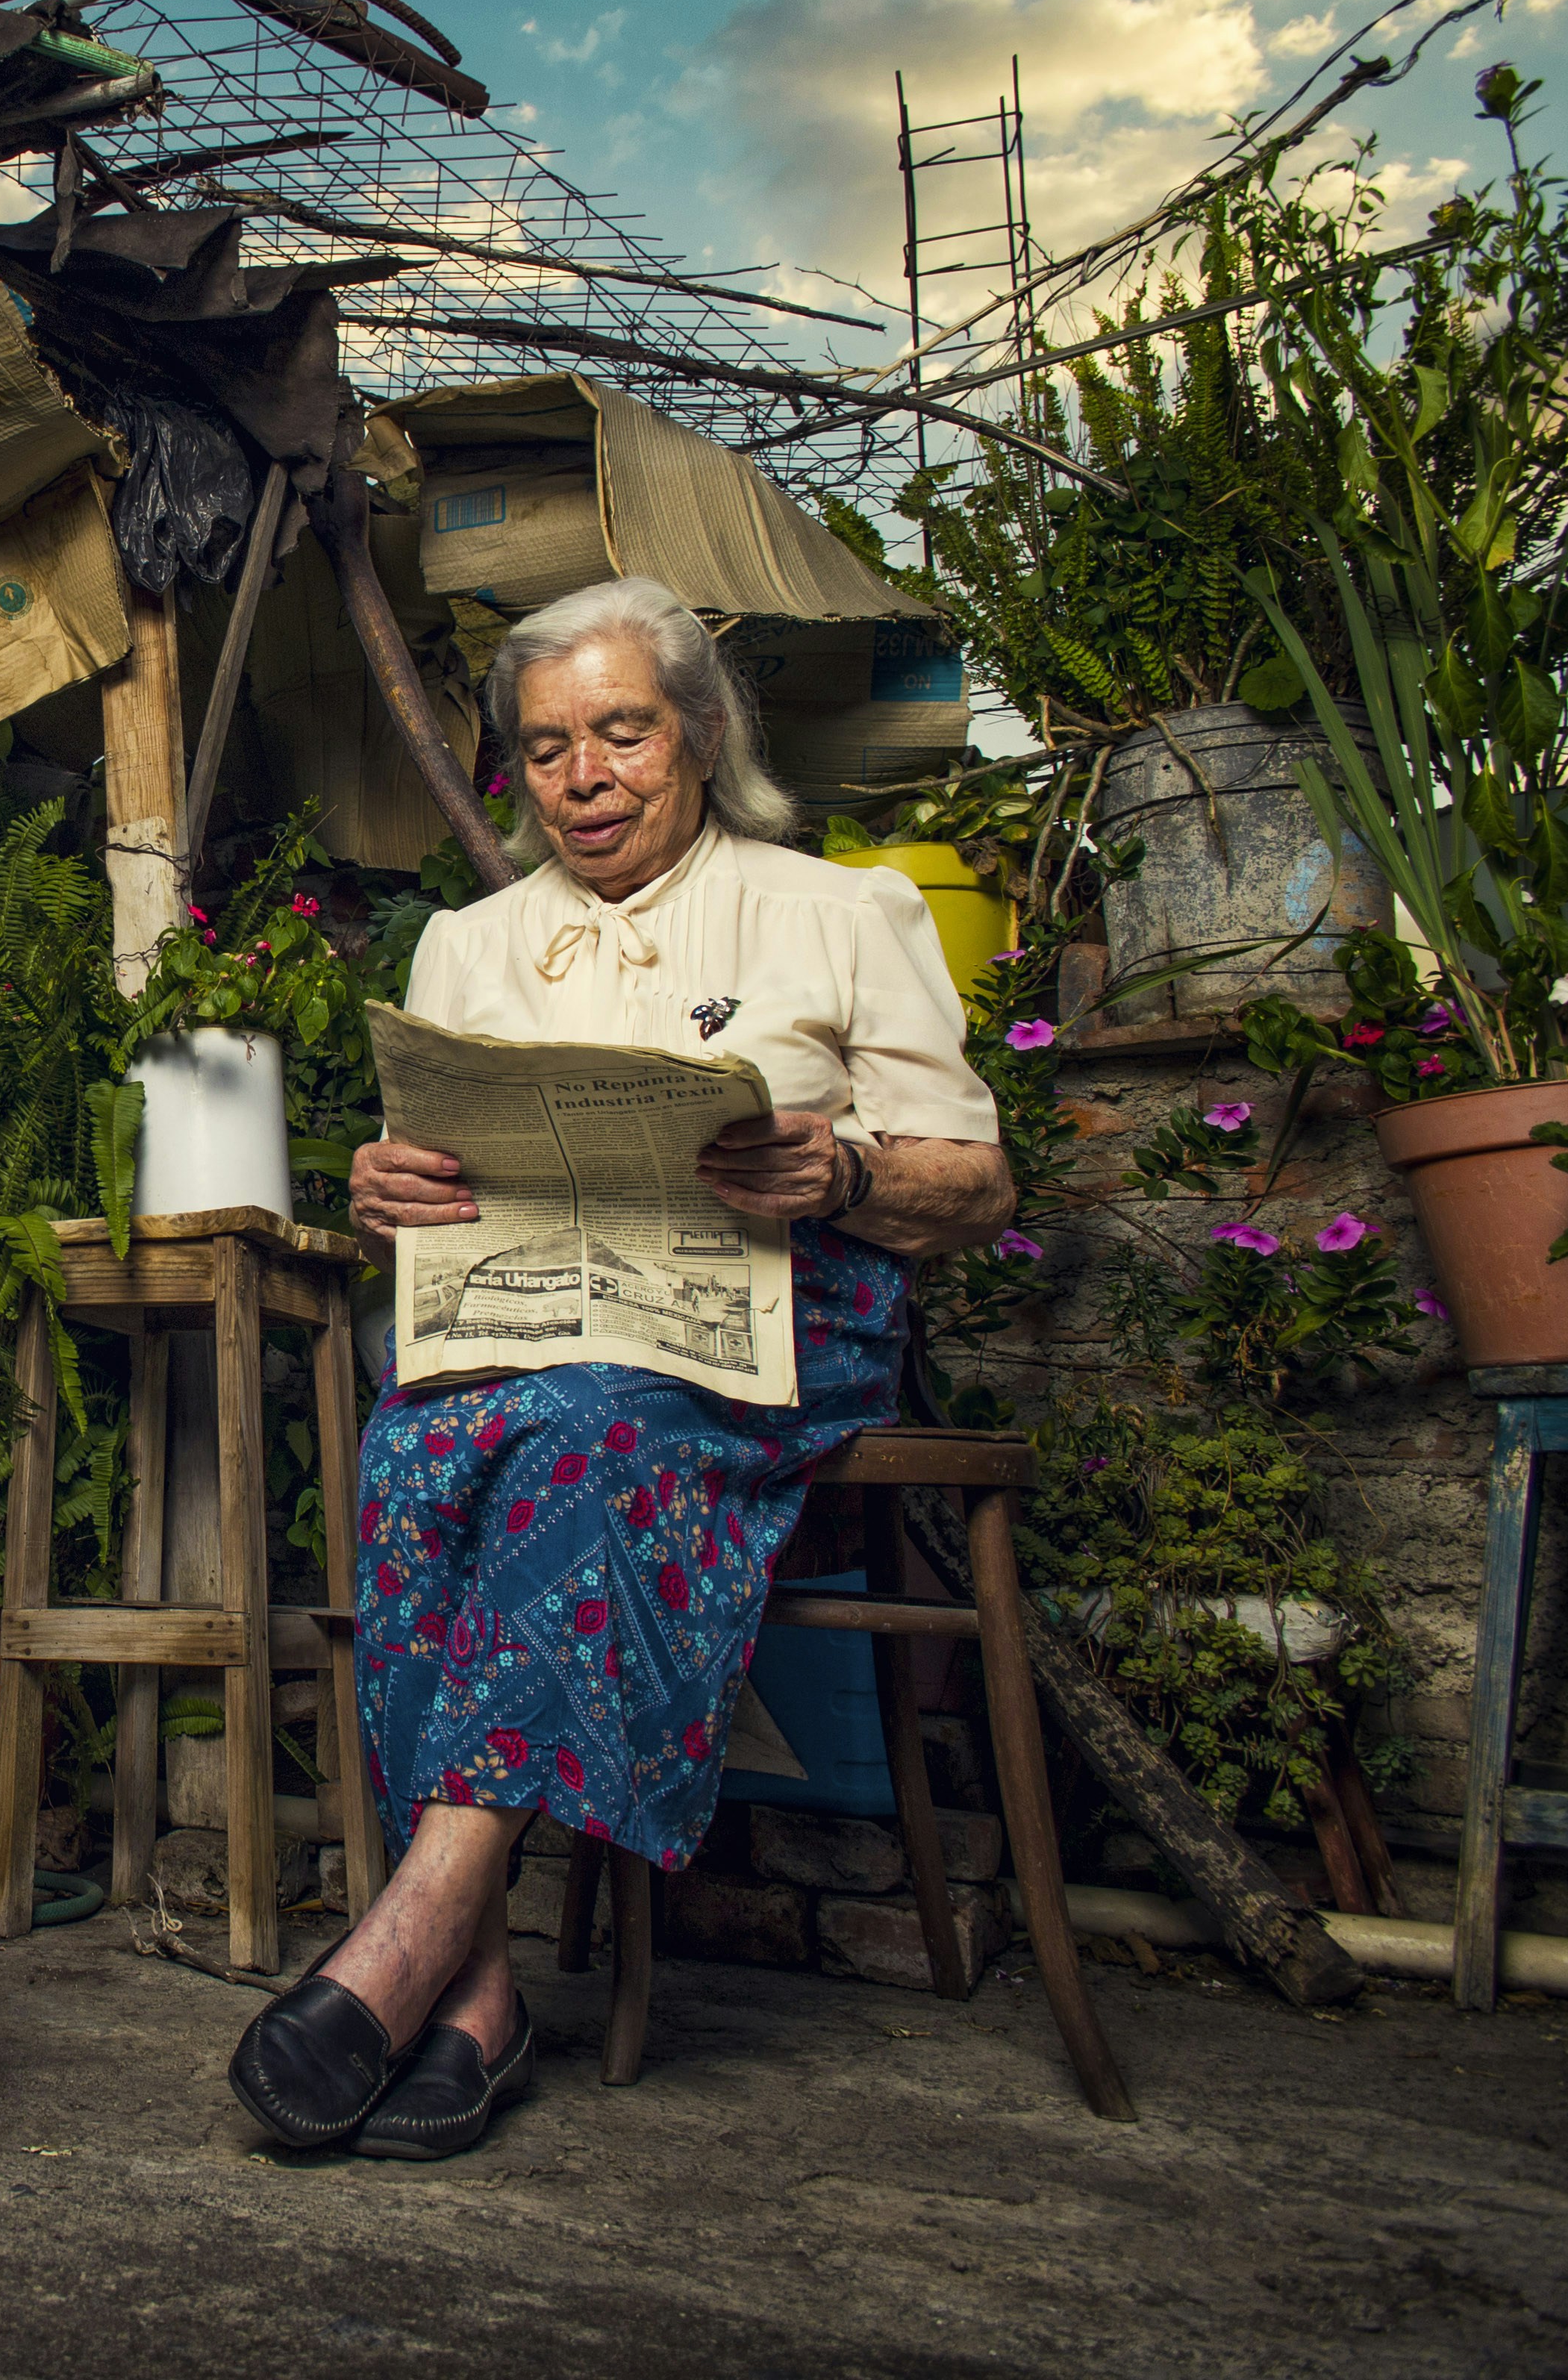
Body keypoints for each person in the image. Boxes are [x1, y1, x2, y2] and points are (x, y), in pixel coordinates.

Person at [227, 578, 1012, 2161]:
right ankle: (480, 1998)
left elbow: (978, 1186)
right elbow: (431, 1195)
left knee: (587, 1432)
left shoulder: (836, 908)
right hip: (530, 1331)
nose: (580, 777)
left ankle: (416, 1928)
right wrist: (384, 1196)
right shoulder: (467, 941)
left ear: (698, 737)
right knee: (413, 1450)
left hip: (774, 1328)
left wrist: (845, 1174)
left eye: (619, 733)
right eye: (542, 749)